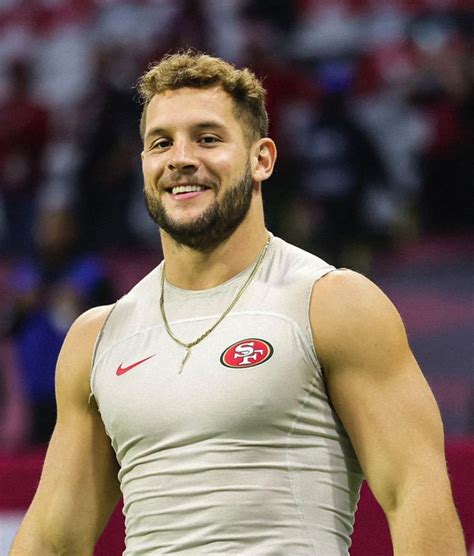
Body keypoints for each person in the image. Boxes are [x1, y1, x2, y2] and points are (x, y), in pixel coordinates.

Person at [11, 51, 465, 555]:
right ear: (144, 165)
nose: (180, 157)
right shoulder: (97, 337)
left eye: (207, 138)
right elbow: (53, 539)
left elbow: (414, 494)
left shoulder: (331, 302)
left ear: (261, 158)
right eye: (161, 142)